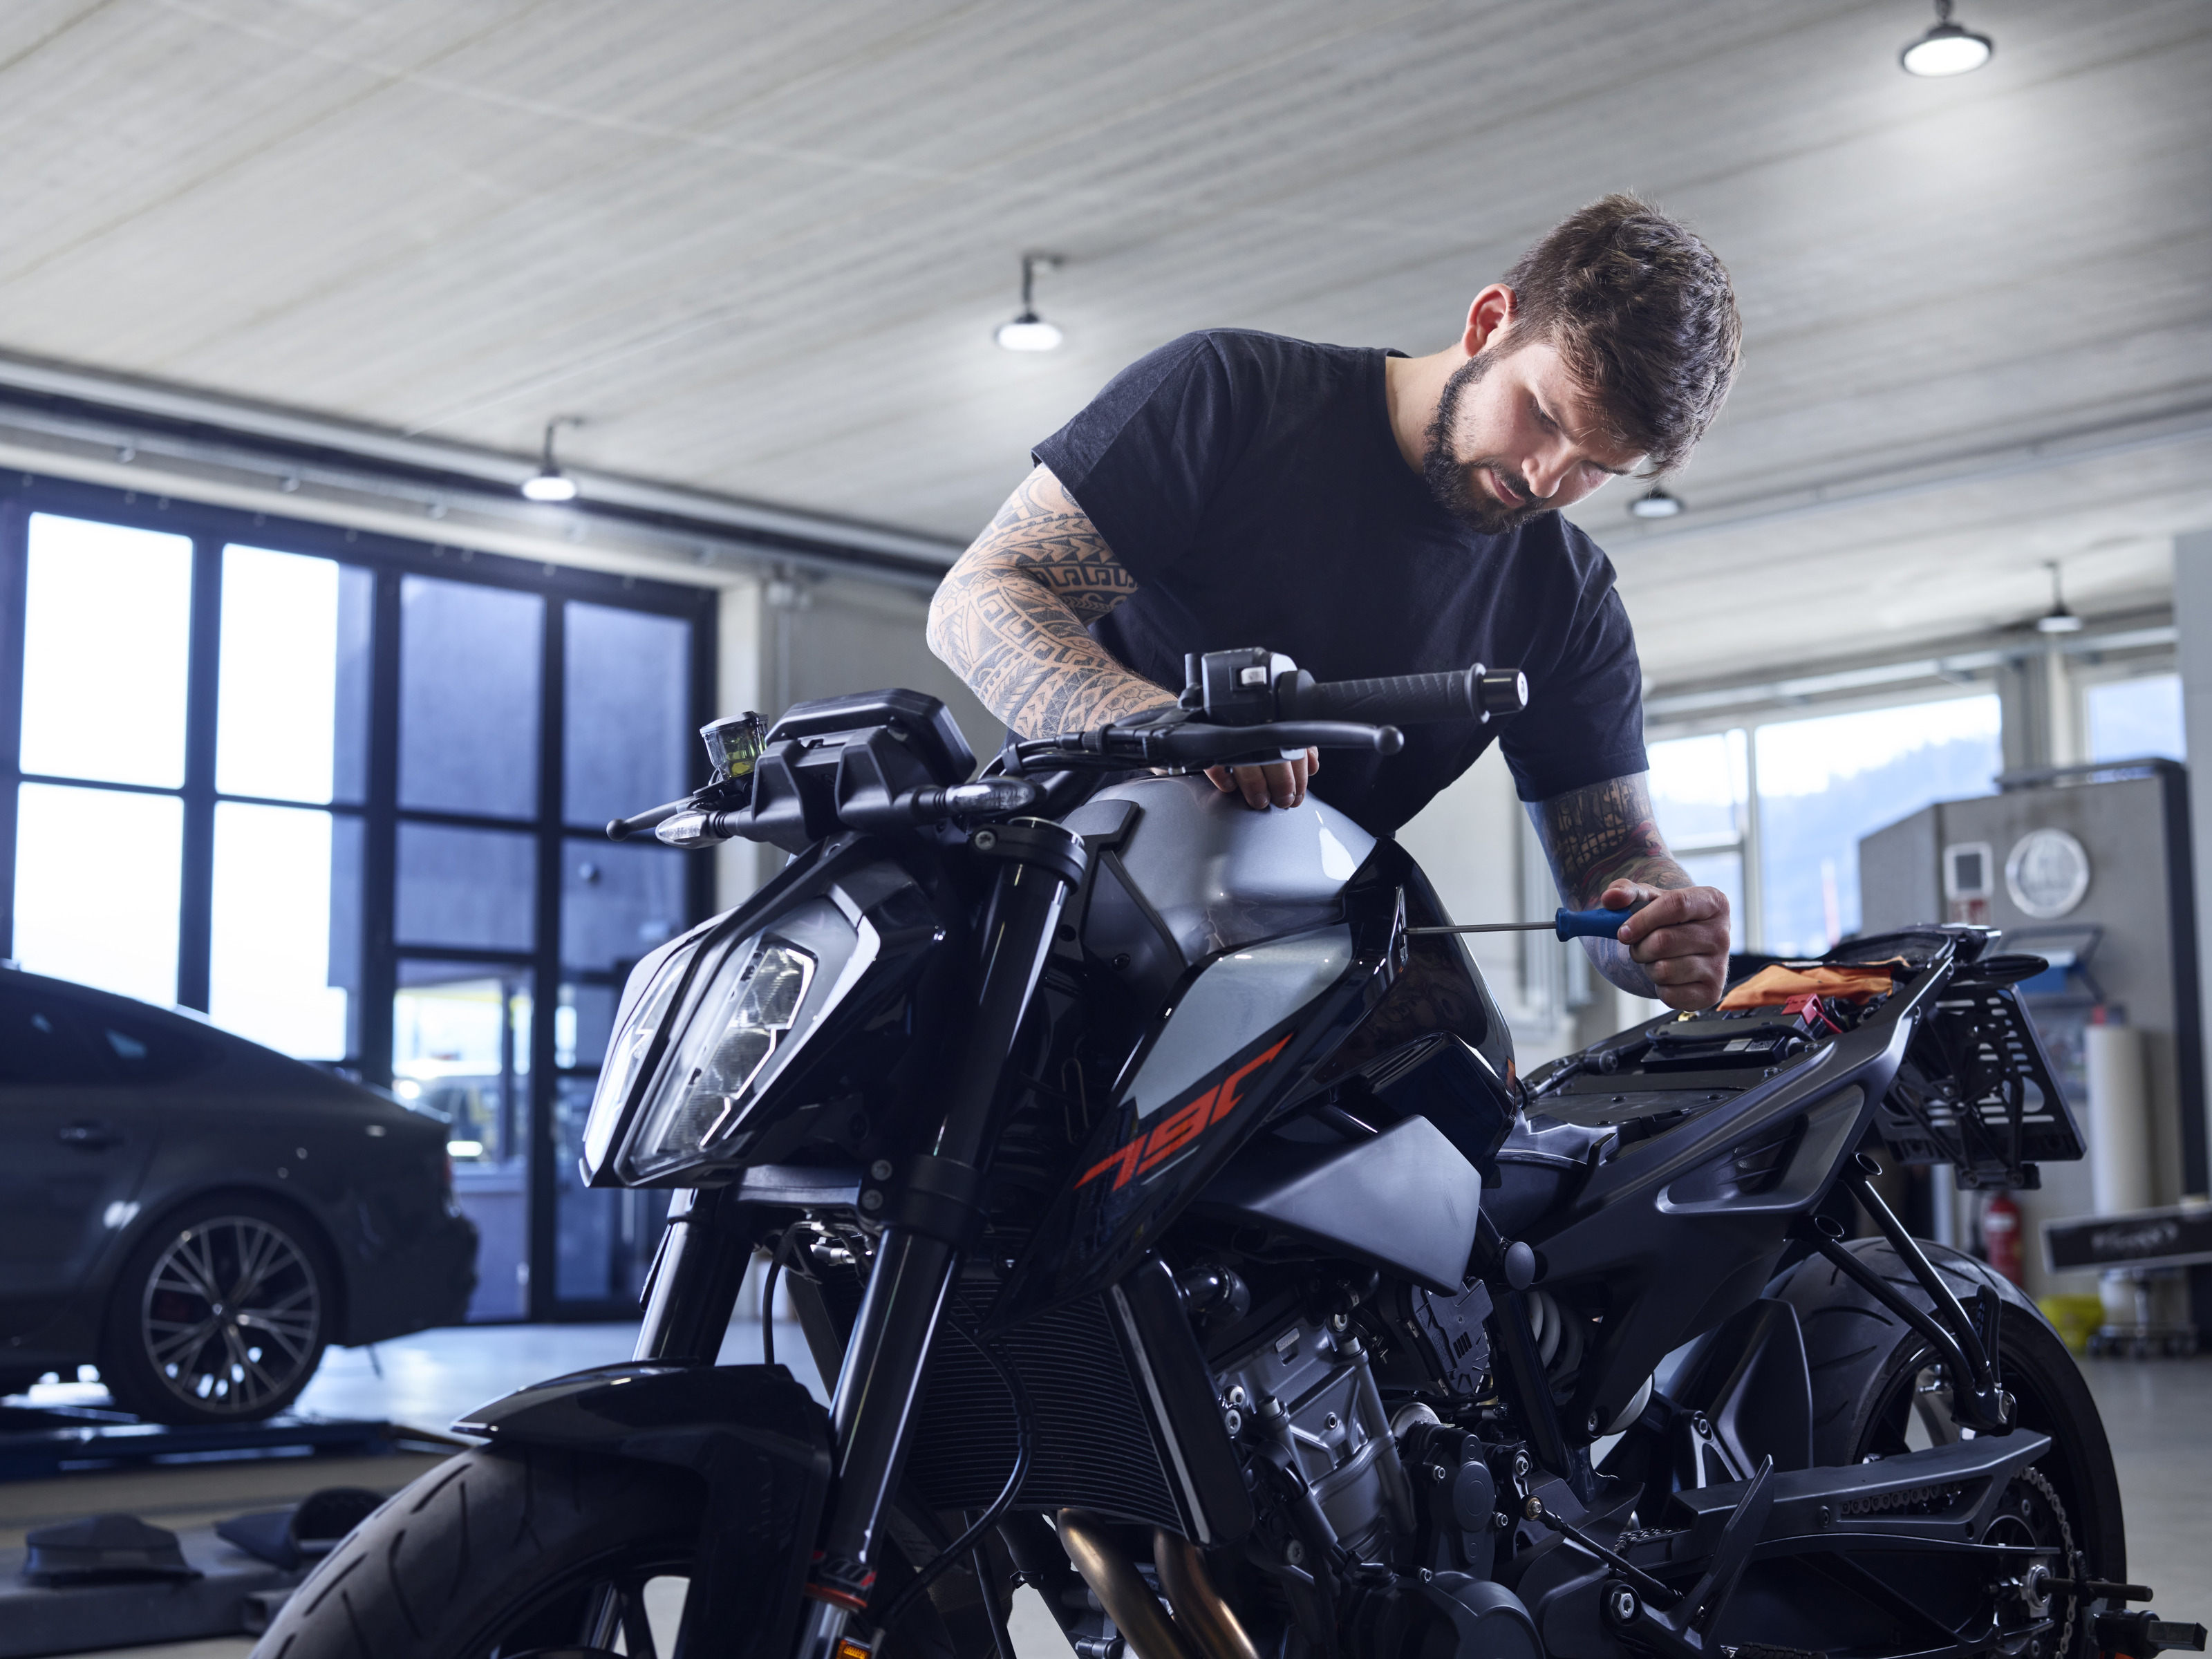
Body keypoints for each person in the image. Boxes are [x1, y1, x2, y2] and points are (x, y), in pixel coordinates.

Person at [927, 196, 1738, 1010]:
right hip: (1032, 947)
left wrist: (1662, 925)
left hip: (1275, 1007)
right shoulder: (1231, 395)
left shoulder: (1567, 603)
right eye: (1543, 416)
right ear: (1491, 321)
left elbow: (1612, 860)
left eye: (1596, 467)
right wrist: (1166, 732)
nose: (1544, 478)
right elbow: (980, 596)